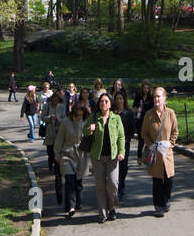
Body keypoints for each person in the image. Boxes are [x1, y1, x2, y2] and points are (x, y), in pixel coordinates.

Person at [87, 92, 125, 223]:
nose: (104, 103)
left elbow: (121, 136)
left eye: (106, 101)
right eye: (101, 101)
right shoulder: (94, 117)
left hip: (113, 157)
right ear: (99, 104)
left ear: (110, 104)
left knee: (113, 183)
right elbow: (83, 131)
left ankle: (112, 208)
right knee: (100, 186)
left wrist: (122, 151)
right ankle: (102, 213)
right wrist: (89, 129)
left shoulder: (116, 118)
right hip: (98, 157)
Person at [141, 86, 179, 217]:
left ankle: (166, 200)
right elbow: (144, 133)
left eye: (159, 96)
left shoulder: (170, 113)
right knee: (157, 181)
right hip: (155, 153)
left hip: (167, 153)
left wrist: (170, 145)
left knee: (169, 180)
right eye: (155, 96)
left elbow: (175, 132)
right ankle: (159, 207)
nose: (157, 99)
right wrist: (151, 145)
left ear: (164, 98)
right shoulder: (148, 115)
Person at [52, 101, 91, 217]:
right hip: (67, 153)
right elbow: (59, 138)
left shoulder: (86, 123)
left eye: (80, 115)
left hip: (81, 155)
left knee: (78, 182)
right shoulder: (65, 122)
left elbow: (90, 139)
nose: (78, 117)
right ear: (72, 113)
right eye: (76, 115)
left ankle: (78, 202)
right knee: (69, 180)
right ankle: (70, 206)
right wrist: (57, 154)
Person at [113, 90, 136, 201]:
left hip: (125, 144)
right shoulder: (112, 112)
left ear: (124, 100)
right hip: (113, 144)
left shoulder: (129, 113)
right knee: (114, 167)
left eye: (121, 98)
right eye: (117, 99)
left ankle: (121, 186)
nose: (119, 101)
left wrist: (128, 139)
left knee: (123, 167)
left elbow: (132, 128)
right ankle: (115, 187)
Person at [44, 91, 66, 202]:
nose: (55, 102)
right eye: (54, 100)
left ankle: (56, 165)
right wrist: (49, 118)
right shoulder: (47, 106)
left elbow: (65, 118)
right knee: (50, 151)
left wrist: (57, 119)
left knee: (57, 150)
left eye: (57, 100)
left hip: (59, 133)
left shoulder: (62, 107)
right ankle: (50, 163)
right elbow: (42, 117)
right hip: (49, 132)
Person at [134, 80, 153, 161]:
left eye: (147, 88)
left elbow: (153, 108)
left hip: (148, 119)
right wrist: (137, 110)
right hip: (140, 119)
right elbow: (134, 106)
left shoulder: (151, 97)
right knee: (141, 138)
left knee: (148, 137)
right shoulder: (139, 96)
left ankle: (146, 154)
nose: (146, 89)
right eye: (144, 88)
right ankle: (139, 156)